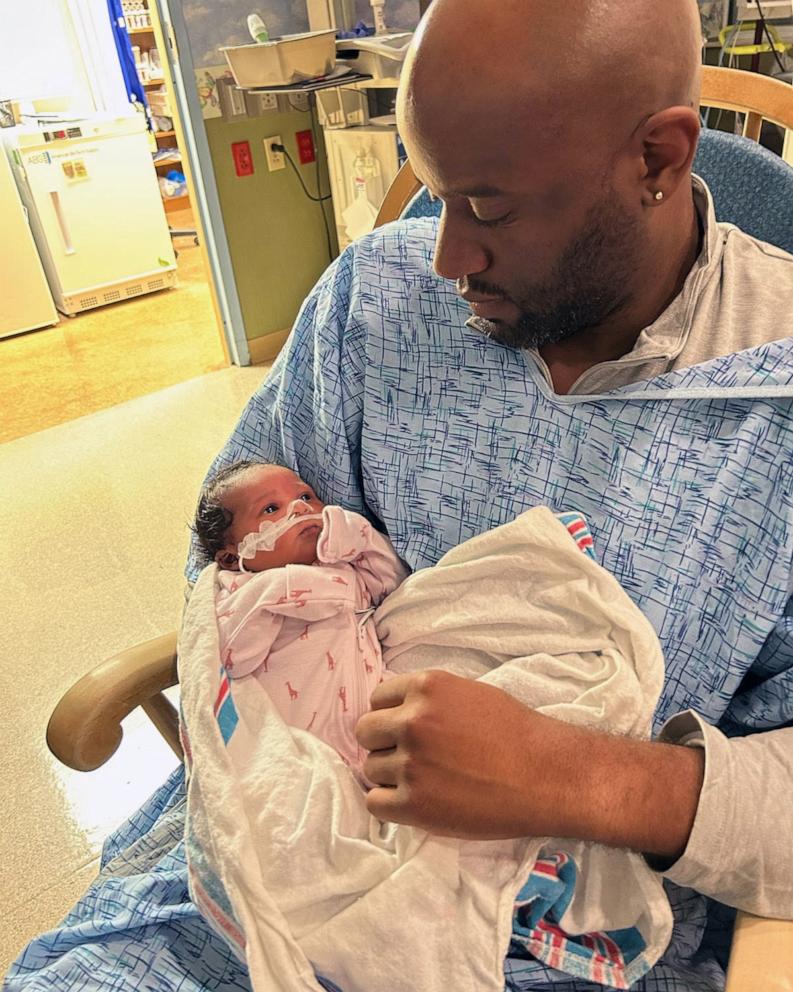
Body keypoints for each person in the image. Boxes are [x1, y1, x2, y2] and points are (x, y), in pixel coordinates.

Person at [6, 0, 793, 990]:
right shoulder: (370, 302)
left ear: (658, 159)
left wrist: (567, 771)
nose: (444, 258)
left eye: (490, 208)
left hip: (555, 944)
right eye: (434, 195)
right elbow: (227, 561)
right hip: (258, 888)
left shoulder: (773, 407)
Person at [191, 460, 408, 777]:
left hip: (376, 731)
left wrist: (356, 535)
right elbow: (233, 658)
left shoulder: (344, 565)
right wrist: (282, 589)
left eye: (306, 497)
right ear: (233, 556)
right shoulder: (243, 592)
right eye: (270, 509)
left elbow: (393, 582)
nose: (298, 508)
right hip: (306, 755)